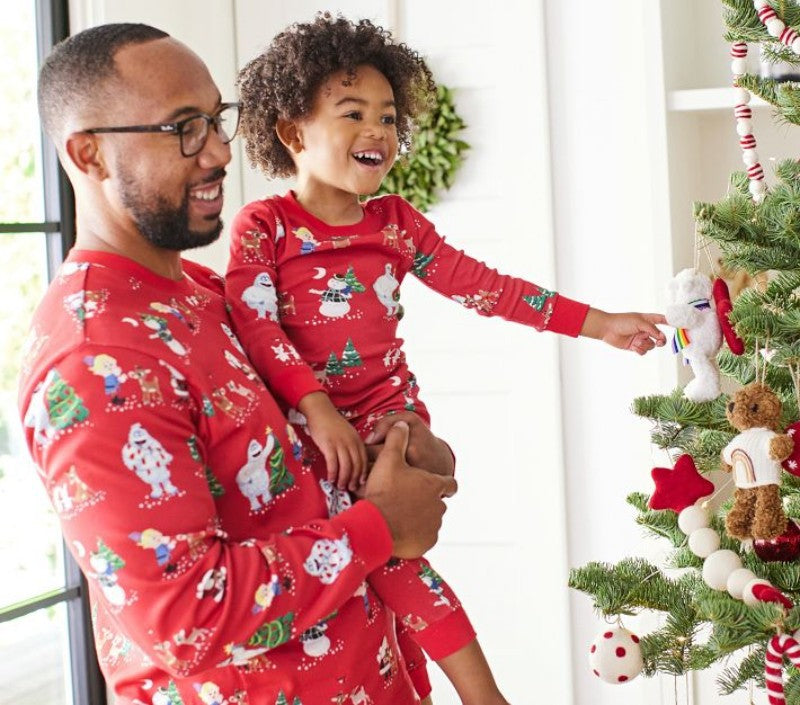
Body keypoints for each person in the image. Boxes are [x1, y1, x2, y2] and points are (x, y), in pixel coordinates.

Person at [226, 12, 668, 703]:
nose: (379, 131)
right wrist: (316, 411)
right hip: (306, 431)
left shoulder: (395, 224)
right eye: (353, 114)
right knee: (362, 573)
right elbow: (254, 325)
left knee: (402, 563)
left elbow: (486, 288)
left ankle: (482, 695)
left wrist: (600, 323)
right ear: (292, 133)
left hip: (385, 424)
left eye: (388, 116)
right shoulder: (266, 227)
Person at [20, 23, 460, 705]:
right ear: (90, 154)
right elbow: (188, 619)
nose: (220, 152)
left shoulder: (211, 297)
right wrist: (381, 527)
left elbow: (311, 471)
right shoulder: (92, 360)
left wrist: (403, 442)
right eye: (184, 128)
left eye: (216, 120)